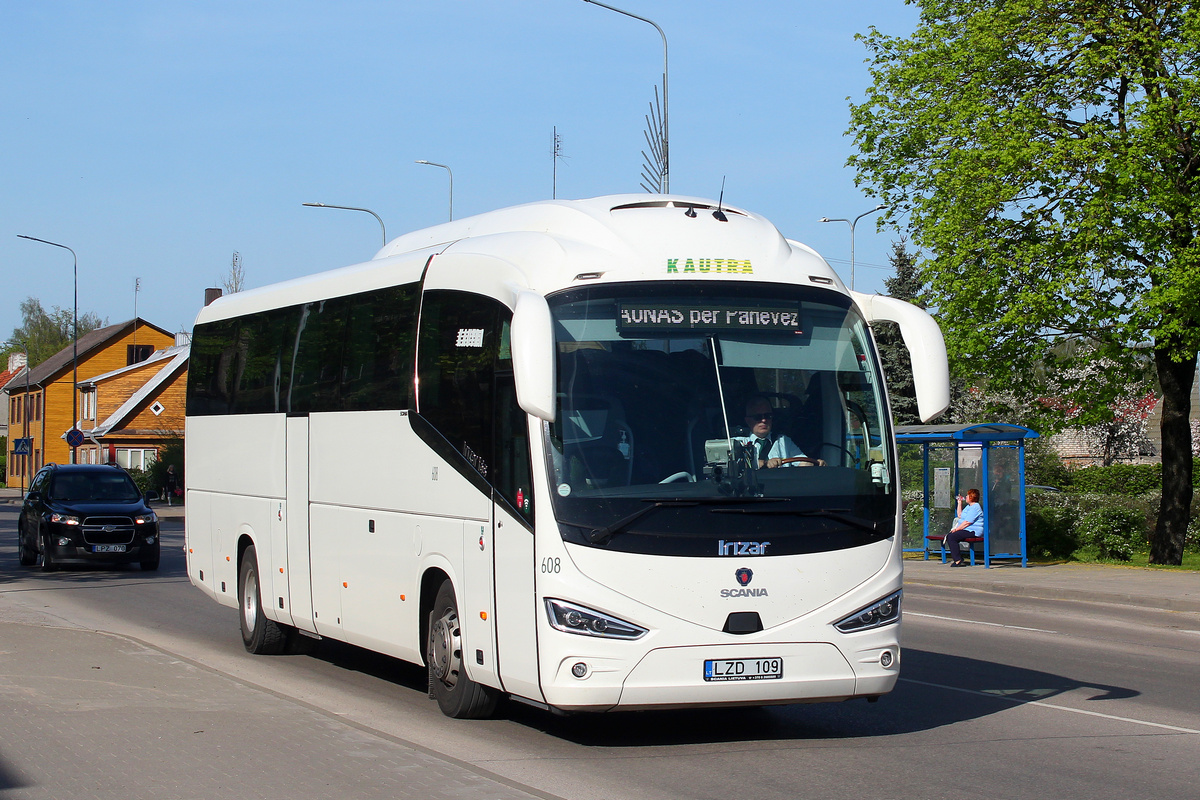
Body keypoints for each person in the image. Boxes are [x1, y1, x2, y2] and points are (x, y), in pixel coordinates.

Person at [735, 395, 823, 468]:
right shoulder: (737, 442)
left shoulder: (784, 441)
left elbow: (802, 462)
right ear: (748, 420)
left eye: (768, 416)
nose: (764, 420)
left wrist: (816, 463)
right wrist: (764, 463)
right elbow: (730, 467)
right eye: (758, 417)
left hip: (782, 487)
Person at [945, 488, 984, 566]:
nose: (966, 497)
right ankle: (957, 558)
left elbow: (967, 522)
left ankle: (958, 559)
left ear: (972, 497)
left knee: (952, 537)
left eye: (968, 495)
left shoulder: (975, 507)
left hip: (973, 531)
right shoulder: (969, 506)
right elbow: (960, 515)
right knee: (951, 536)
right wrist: (959, 503)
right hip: (966, 530)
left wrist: (957, 529)